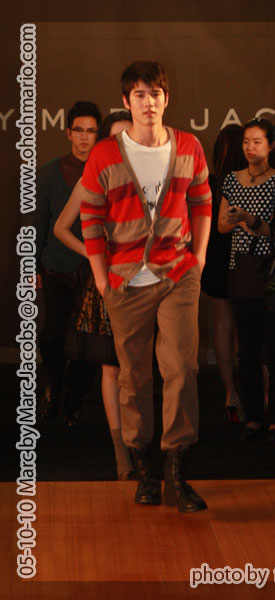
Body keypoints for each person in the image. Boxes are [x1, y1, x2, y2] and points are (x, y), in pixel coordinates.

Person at [79, 60, 212, 513]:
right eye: (139, 94)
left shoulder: (189, 145)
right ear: (126, 101)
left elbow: (202, 202)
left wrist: (199, 258)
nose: (148, 102)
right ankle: (144, 471)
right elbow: (90, 218)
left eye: (155, 93)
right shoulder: (105, 154)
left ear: (166, 98)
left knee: (182, 369)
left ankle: (177, 470)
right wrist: (102, 279)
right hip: (124, 280)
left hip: (178, 273)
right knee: (133, 377)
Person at [54, 110, 134, 480]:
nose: (122, 145)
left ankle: (138, 441)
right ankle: (121, 451)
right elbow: (61, 227)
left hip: (145, 283)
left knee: (138, 368)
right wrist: (93, 253)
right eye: (114, 138)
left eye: (127, 136)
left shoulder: (152, 176)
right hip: (106, 283)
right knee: (110, 366)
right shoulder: (93, 176)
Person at [218, 117, 275, 440]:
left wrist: (250, 219)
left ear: (271, 145)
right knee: (246, 347)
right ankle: (254, 416)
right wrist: (237, 220)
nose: (250, 148)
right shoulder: (232, 179)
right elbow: (221, 226)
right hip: (241, 268)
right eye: (246, 142)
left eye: (257, 142)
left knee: (273, 347)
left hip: (270, 269)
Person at [33, 100, 102, 427]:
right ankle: (54, 387)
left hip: (93, 270)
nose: (85, 137)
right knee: (54, 335)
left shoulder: (106, 171)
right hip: (56, 266)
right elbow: (38, 224)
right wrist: (34, 267)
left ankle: (75, 398)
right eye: (79, 130)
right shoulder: (48, 173)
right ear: (68, 133)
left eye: (91, 131)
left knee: (90, 340)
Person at [201, 124, 247, 423]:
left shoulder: (210, 183)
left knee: (222, 327)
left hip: (215, 259)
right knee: (247, 329)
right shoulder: (248, 183)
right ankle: (258, 392)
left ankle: (231, 392)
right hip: (244, 261)